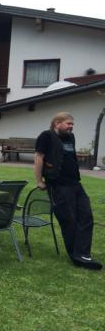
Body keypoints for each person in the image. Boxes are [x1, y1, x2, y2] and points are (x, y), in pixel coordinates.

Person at [34, 112, 101, 270]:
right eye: (68, 123)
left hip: (75, 184)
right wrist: (39, 180)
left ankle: (83, 254)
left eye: (72, 124)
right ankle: (77, 256)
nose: (71, 127)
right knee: (68, 220)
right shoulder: (46, 136)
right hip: (59, 184)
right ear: (57, 123)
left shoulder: (70, 137)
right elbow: (38, 157)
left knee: (86, 217)